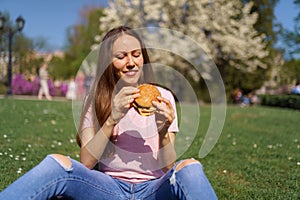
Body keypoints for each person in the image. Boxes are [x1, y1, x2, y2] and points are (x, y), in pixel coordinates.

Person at [0, 26, 217, 199]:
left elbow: (169, 166)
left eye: (136, 55)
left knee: (189, 168)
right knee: (57, 163)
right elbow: (85, 162)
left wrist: (163, 131)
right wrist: (112, 118)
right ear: (108, 62)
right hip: (107, 189)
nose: (131, 62)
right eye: (121, 56)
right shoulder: (96, 99)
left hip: (154, 190)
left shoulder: (162, 98)